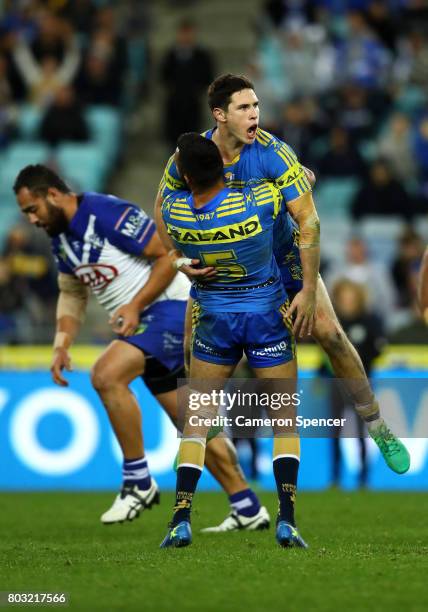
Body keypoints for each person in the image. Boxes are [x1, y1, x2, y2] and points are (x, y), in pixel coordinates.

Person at [154, 73, 410, 479]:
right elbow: (162, 207)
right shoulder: (192, 155)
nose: (255, 114)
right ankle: (205, 430)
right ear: (220, 115)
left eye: (256, 105)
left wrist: (308, 290)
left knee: (330, 334)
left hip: (283, 259)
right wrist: (176, 259)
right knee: (191, 342)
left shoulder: (274, 152)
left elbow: (309, 223)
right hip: (227, 270)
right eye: (244, 107)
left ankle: (376, 424)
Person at [13, 164, 270, 531]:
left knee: (106, 375)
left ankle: (137, 480)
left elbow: (169, 253)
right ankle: (246, 506)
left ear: (52, 195)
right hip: (147, 322)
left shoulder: (102, 212)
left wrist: (134, 306)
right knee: (193, 422)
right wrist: (61, 343)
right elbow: (72, 291)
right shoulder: (61, 239)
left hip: (170, 306)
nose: (32, 220)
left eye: (32, 209)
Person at [159, 133, 308, 549]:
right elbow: (297, 201)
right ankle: (288, 520)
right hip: (265, 317)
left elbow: (166, 214)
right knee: (284, 419)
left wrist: (179, 261)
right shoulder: (258, 201)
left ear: (186, 176)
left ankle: (180, 519)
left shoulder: (175, 213)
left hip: (215, 321)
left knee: (196, 423)